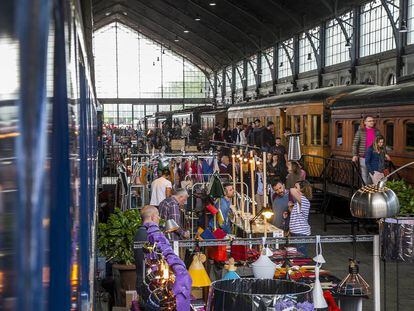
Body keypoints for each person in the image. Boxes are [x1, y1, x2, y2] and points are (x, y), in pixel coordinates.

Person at [134, 205, 160, 304]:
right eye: (158, 216)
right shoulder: (147, 234)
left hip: (144, 280)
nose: (159, 218)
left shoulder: (140, 232)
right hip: (147, 284)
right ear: (153, 217)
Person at [352, 116, 389, 184]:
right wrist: (354, 155)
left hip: (375, 158)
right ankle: (365, 192)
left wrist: (385, 153)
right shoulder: (360, 131)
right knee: (364, 177)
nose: (372, 122)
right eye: (369, 121)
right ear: (365, 122)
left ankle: (372, 193)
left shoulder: (377, 131)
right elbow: (355, 144)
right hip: (363, 157)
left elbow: (382, 143)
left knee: (373, 177)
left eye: (372, 121)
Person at [289, 180, 312, 256]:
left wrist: (294, 189)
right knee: (295, 254)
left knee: (300, 256)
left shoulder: (304, 200)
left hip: (300, 233)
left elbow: (291, 190)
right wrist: (290, 208)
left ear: (302, 190)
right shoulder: (298, 202)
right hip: (296, 232)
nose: (294, 188)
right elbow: (297, 215)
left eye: (296, 187)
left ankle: (302, 266)